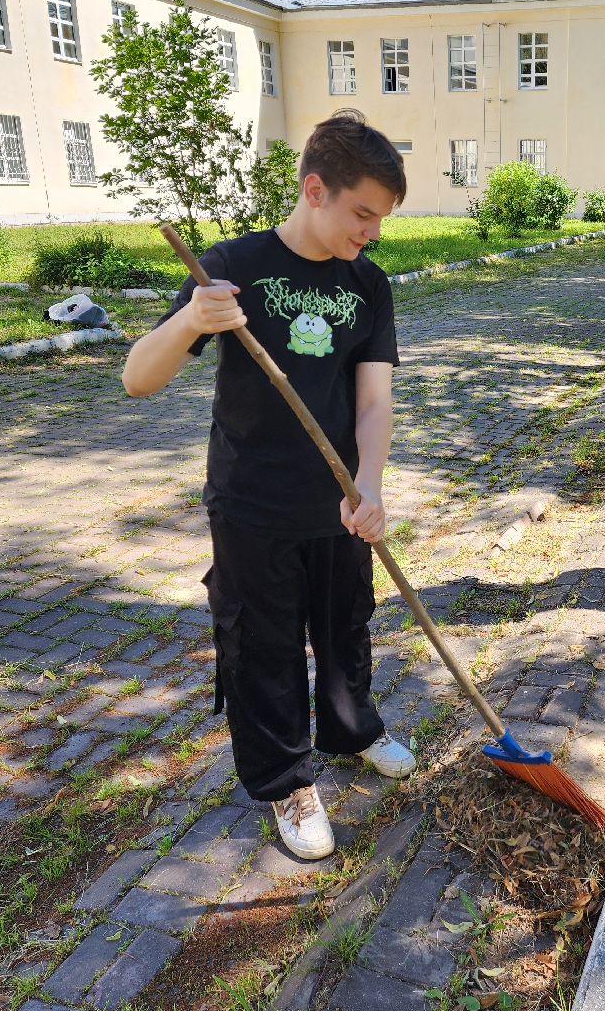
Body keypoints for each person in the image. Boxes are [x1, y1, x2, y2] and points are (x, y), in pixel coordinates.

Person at [122, 110, 414, 862]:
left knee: (346, 622)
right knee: (266, 645)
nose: (371, 232)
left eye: (380, 219)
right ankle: (287, 782)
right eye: (362, 214)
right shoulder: (233, 267)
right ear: (315, 189)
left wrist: (369, 486)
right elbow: (138, 379)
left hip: (339, 500)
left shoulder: (366, 283)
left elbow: (374, 399)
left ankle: (353, 731)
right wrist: (191, 319)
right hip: (251, 503)